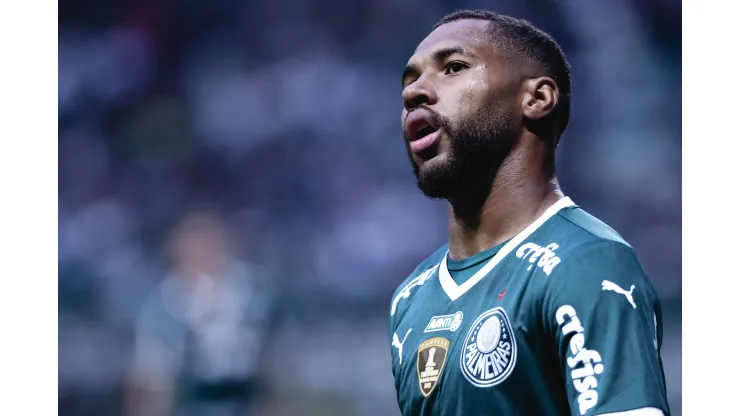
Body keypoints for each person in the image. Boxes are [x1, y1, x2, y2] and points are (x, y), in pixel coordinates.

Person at [389, 10, 670, 416]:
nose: (413, 92)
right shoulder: (410, 299)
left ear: (536, 99)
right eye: (409, 80)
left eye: (453, 67)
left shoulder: (586, 263)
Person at [127, 208, 272, 416]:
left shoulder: (249, 291)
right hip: (191, 402)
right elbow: (151, 375)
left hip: (242, 400)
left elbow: (271, 357)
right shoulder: (166, 303)